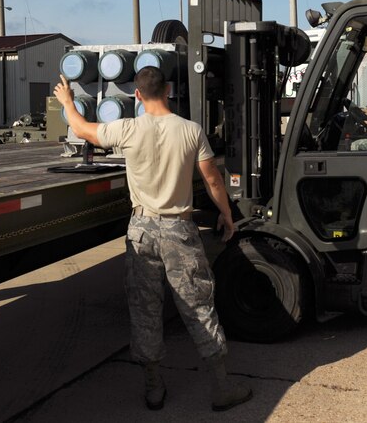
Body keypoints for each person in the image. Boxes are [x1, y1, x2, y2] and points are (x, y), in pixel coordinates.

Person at [53, 67, 252, 412]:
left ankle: (154, 387)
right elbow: (213, 180)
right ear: (169, 90)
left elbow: (83, 130)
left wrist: (68, 102)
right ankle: (221, 387)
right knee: (199, 307)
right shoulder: (191, 130)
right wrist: (227, 215)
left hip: (142, 230)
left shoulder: (128, 128)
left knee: (145, 311)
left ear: (137, 96)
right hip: (180, 230)